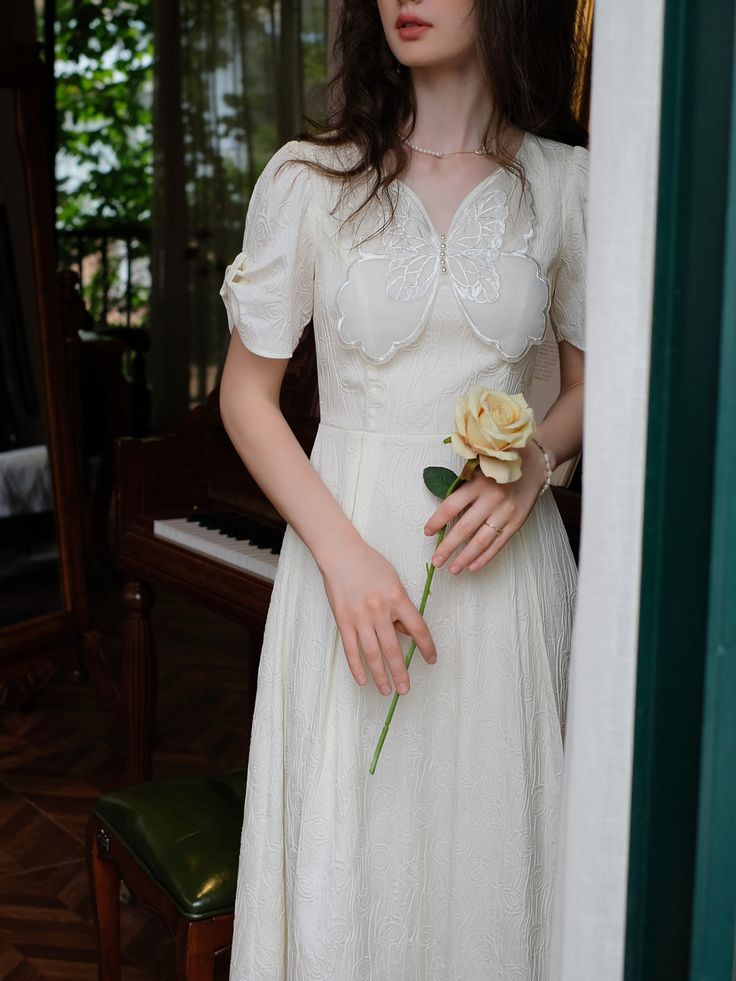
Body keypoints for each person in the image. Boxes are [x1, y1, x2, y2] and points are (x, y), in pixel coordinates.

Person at [218, 0, 588, 977]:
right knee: (354, 852)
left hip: (501, 582)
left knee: (495, 864)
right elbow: (246, 397)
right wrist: (342, 560)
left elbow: (594, 389)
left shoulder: (565, 185)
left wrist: (533, 469)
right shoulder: (310, 181)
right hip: (345, 559)